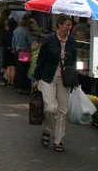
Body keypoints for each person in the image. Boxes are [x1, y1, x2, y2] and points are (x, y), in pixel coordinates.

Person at [33, 14, 77, 152]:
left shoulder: (72, 41)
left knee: (62, 110)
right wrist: (36, 78)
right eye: (67, 25)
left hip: (64, 78)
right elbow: (41, 60)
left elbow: (73, 61)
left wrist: (74, 79)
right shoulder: (49, 40)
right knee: (50, 108)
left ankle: (59, 140)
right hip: (48, 77)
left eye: (70, 25)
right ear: (59, 25)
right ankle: (47, 130)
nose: (69, 28)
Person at [12, 15, 33, 94]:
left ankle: (17, 85)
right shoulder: (26, 30)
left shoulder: (16, 30)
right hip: (24, 52)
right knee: (23, 69)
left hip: (17, 51)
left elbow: (13, 42)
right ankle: (21, 87)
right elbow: (30, 41)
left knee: (18, 68)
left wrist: (14, 49)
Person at [3, 18, 17, 87]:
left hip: (7, 50)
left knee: (8, 67)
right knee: (13, 67)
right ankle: (12, 82)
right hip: (13, 50)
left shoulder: (6, 33)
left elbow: (3, 42)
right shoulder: (15, 33)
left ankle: (8, 81)